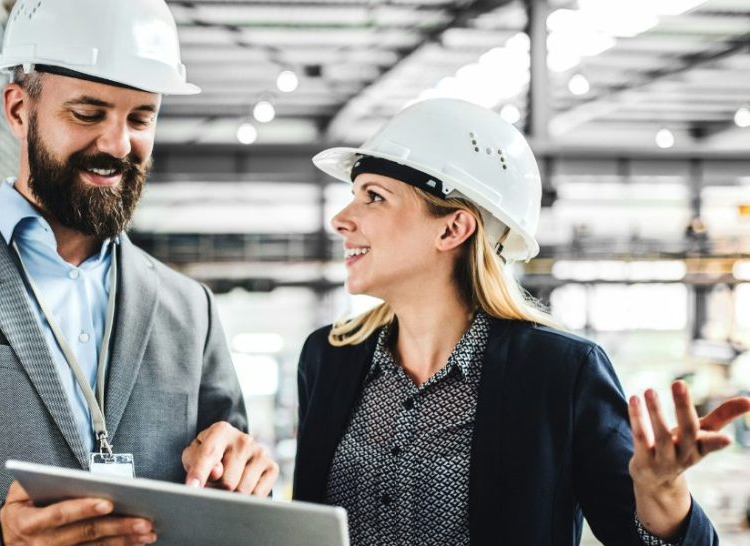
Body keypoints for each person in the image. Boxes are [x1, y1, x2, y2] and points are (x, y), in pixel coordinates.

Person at [0, 1, 278, 544]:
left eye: (140, 118)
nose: (117, 144)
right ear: (19, 110)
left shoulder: (190, 310)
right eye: (88, 113)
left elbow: (235, 499)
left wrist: (248, 480)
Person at [292, 97, 750, 545]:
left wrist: (662, 494)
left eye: (373, 197)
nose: (341, 220)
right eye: (353, 196)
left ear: (452, 229)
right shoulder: (328, 358)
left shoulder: (560, 372)